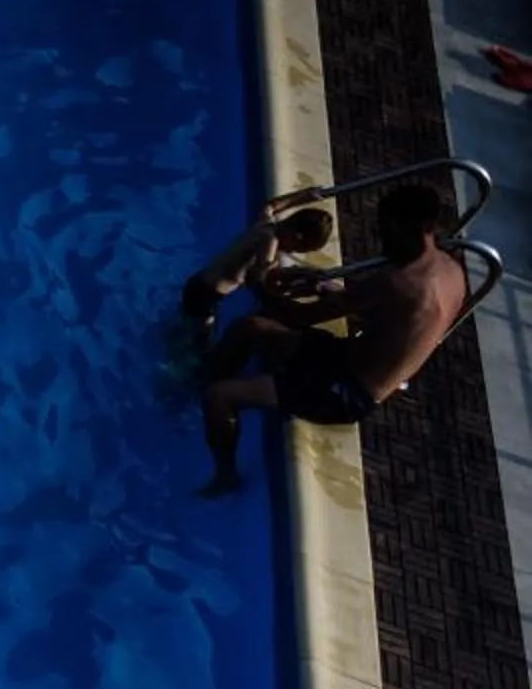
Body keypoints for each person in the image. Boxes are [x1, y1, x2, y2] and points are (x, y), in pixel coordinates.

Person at [198, 183, 468, 493]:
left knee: (218, 396)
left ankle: (225, 476)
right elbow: (397, 321)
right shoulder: (452, 271)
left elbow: (296, 317)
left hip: (344, 393)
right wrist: (322, 288)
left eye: (385, 231)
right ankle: (202, 377)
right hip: (344, 358)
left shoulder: (397, 282)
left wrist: (259, 284)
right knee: (250, 329)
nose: (381, 241)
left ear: (410, 228)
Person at [180, 193, 334, 328]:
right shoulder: (270, 243)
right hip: (206, 296)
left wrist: (303, 196)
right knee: (199, 343)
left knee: (186, 323)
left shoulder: (266, 224)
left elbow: (271, 205)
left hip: (199, 282)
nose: (290, 252)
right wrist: (300, 273)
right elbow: (261, 278)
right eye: (295, 249)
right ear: (295, 237)